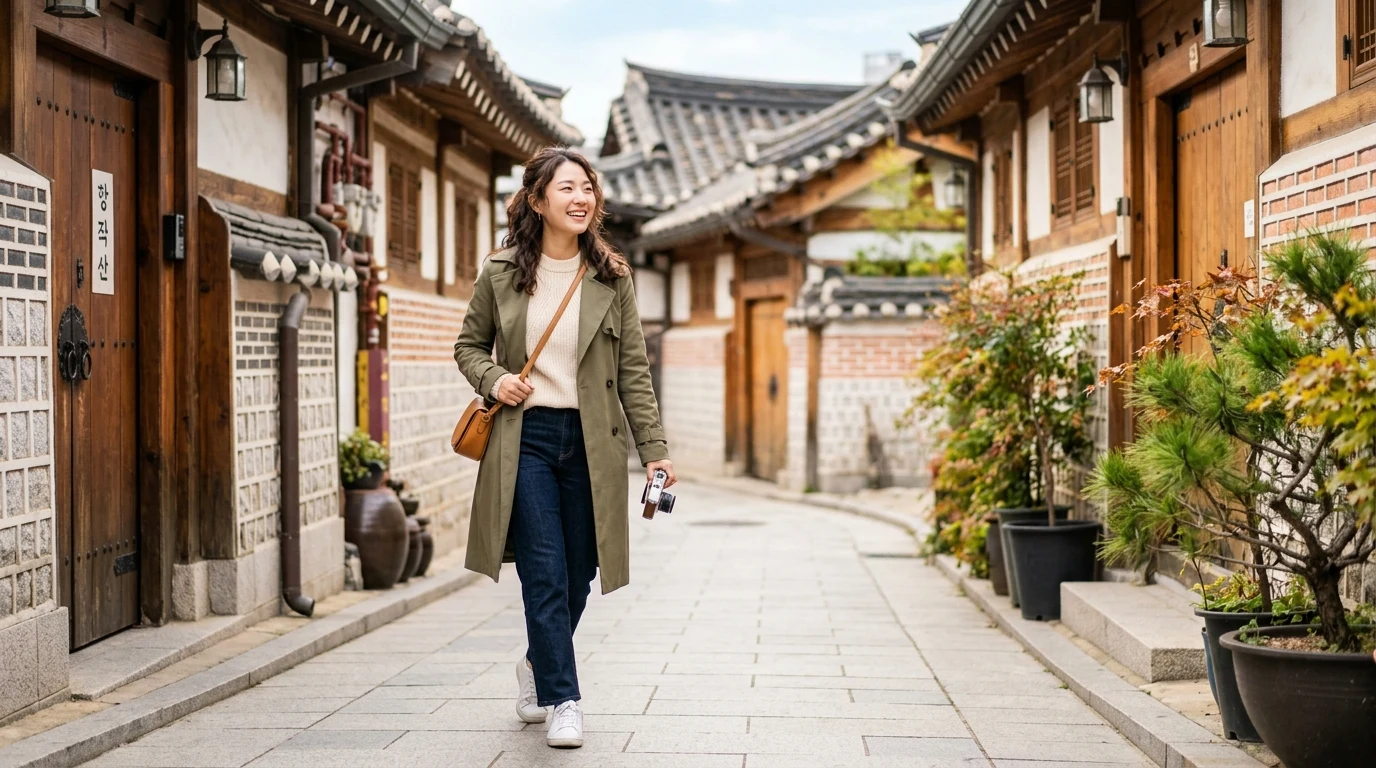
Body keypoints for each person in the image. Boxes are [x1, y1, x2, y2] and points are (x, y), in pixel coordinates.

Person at [453, 146, 675, 749]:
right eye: (568, 188)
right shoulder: (500, 272)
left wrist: (653, 448)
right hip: (523, 439)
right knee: (544, 572)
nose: (582, 199)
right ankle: (563, 698)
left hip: (591, 442)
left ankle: (535, 664)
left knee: (580, 571)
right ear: (536, 200)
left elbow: (634, 369)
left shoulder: (611, 277)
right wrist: (494, 379)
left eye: (588, 189)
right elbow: (468, 346)